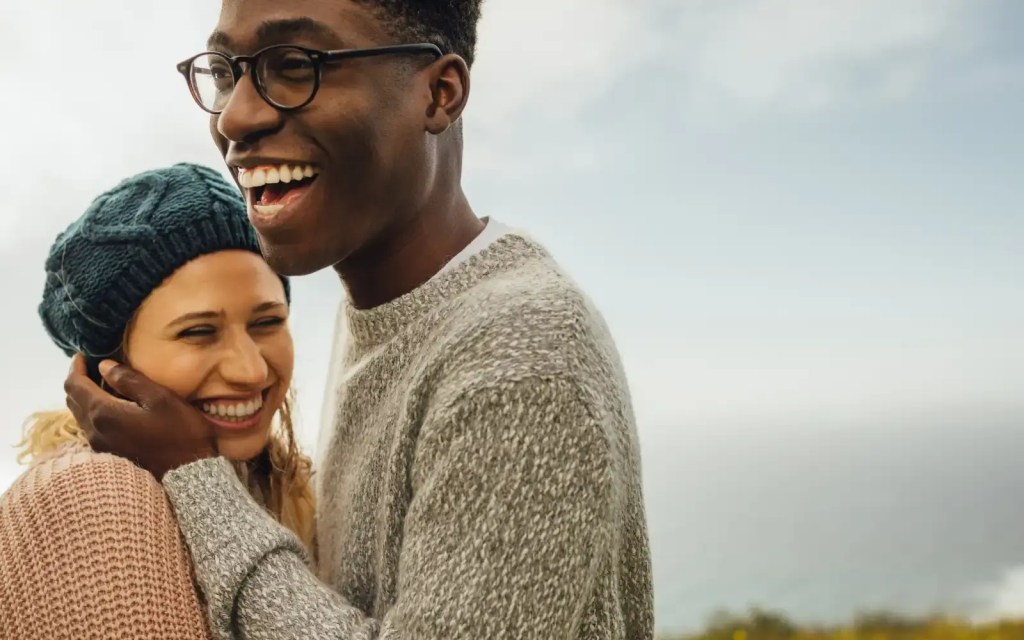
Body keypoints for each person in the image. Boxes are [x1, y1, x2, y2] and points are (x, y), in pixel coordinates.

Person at [64, 0, 655, 638]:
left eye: (294, 65)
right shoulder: (384, 305)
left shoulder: (521, 357)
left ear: (440, 93)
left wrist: (190, 476)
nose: (236, 116)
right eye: (228, 71)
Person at [0, 163, 314, 639]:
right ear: (106, 367)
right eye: (198, 333)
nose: (250, 370)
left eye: (266, 322)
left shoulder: (280, 485)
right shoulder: (94, 499)